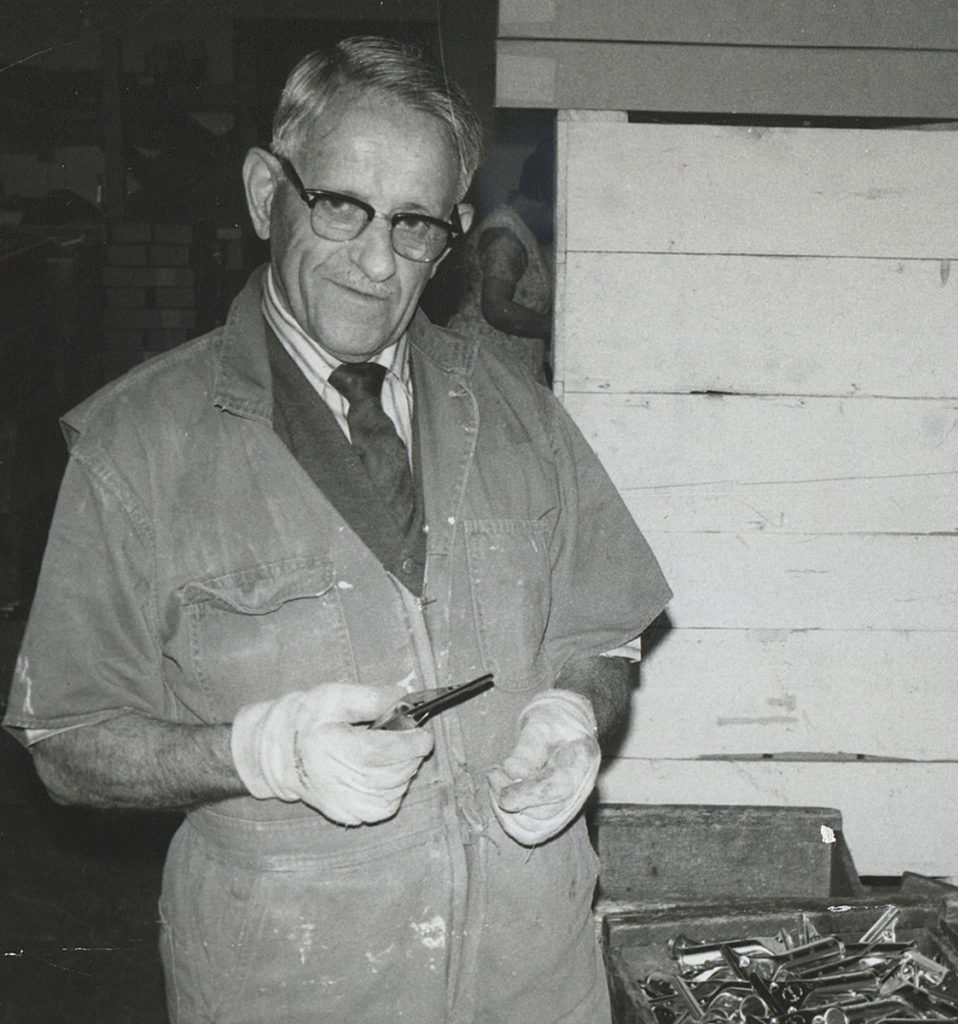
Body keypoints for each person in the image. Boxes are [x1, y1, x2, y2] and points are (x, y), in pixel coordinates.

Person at [4, 36, 671, 1024]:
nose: (375, 261)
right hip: (295, 987)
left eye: (414, 228)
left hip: (533, 984)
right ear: (268, 193)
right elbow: (66, 739)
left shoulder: (520, 412)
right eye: (341, 207)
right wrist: (254, 751)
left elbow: (601, 630)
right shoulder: (137, 445)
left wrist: (573, 712)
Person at [449, 142, 554, 385]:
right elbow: (496, 308)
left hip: (506, 368)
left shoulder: (522, 231)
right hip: (484, 367)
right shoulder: (505, 234)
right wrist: (558, 329)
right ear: (542, 195)